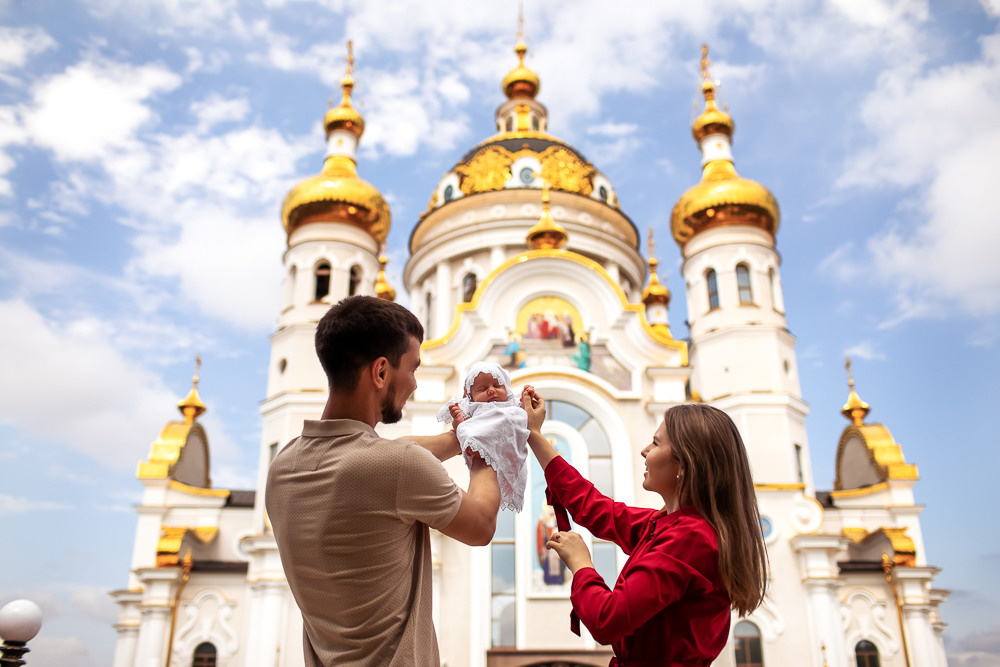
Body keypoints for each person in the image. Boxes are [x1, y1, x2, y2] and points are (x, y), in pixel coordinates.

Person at [265, 296, 502, 667]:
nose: (414, 384)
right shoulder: (397, 466)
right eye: (413, 368)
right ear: (380, 372)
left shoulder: (283, 467)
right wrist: (489, 438)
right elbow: (482, 525)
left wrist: (457, 439)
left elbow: (378, 457)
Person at [521, 390, 768, 666]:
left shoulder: (690, 538)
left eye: (656, 443)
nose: (644, 450)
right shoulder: (669, 525)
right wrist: (535, 435)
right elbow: (595, 508)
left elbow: (607, 620)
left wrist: (581, 564)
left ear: (685, 463)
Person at [437, 361, 530, 512]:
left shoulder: (512, 404)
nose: (491, 391)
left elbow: (525, 416)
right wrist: (458, 417)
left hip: (506, 440)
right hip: (480, 436)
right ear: (471, 396)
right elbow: (461, 409)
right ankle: (462, 428)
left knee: (518, 415)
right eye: (483, 389)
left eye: (497, 386)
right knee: (468, 429)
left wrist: (527, 398)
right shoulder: (472, 406)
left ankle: (466, 433)